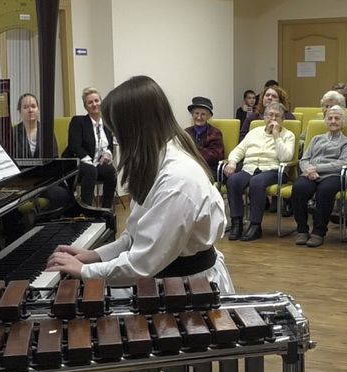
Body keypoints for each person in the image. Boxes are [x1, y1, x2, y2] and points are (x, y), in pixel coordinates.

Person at [45, 75, 233, 291]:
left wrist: (85, 271)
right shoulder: (157, 159)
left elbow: (142, 263)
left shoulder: (177, 180)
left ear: (134, 128)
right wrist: (95, 256)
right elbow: (137, 234)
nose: (116, 139)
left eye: (117, 131)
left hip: (186, 288)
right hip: (163, 277)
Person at [223, 102, 296, 241]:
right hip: (249, 168)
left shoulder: (288, 135)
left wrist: (276, 135)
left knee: (256, 182)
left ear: (283, 119)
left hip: (273, 170)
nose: (273, 119)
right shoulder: (254, 132)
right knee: (233, 180)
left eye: (277, 116)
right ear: (264, 117)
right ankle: (236, 223)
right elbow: (239, 149)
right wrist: (232, 161)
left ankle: (255, 225)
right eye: (270, 115)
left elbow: (285, 157)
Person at [292, 105, 347, 248]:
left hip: (334, 175)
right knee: (299, 188)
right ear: (325, 121)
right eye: (330, 118)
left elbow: (342, 163)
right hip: (310, 174)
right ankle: (302, 229)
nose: (333, 121)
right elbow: (304, 159)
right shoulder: (316, 139)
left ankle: (319, 232)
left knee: (324, 191)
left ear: (343, 122)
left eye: (337, 118)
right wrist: (308, 170)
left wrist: (317, 168)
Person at [66, 87, 117, 208]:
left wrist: (108, 153)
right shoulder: (78, 121)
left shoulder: (106, 123)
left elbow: (110, 144)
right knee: (90, 170)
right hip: (78, 163)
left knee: (110, 171)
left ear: (101, 102)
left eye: (96, 101)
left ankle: (106, 209)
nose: (94, 104)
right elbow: (74, 146)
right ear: (85, 106)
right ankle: (87, 209)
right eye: (90, 102)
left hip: (96, 164)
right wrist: (88, 161)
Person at [11, 93, 57, 159]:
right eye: (25, 107)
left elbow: (55, 156)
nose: (30, 110)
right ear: (20, 112)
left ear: (38, 110)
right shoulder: (12, 133)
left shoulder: (47, 131)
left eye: (33, 106)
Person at [184, 96, 225, 171]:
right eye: (196, 113)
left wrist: (192, 151)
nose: (199, 117)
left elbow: (216, 156)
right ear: (192, 115)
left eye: (203, 114)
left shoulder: (215, 133)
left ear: (208, 117)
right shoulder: (186, 132)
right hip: (188, 168)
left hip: (207, 170)